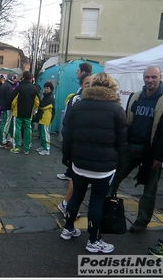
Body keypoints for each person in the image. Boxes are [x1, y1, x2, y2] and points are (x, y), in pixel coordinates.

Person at [60, 72, 127, 254]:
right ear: (111, 88)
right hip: (103, 167)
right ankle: (93, 240)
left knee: (76, 196)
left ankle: (68, 229)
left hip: (79, 163)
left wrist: (67, 157)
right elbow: (122, 141)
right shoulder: (116, 109)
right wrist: (121, 164)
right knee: (97, 201)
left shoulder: (79, 105)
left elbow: (68, 134)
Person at [110, 65, 163, 233]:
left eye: (153, 77)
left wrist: (159, 156)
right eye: (147, 77)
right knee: (114, 178)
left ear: (160, 78)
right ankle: (107, 210)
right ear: (143, 78)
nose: (150, 80)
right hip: (132, 148)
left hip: (151, 152)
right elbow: (128, 123)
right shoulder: (136, 97)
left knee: (149, 191)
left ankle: (141, 222)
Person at [57, 73, 93, 218]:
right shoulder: (76, 100)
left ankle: (70, 205)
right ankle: (66, 204)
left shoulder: (93, 100)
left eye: (92, 84)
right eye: (86, 83)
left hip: (88, 147)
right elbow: (68, 124)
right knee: (78, 178)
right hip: (77, 146)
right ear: (81, 85)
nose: (90, 86)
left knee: (80, 179)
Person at [57, 62, 92, 179]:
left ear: (83, 72)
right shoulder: (76, 96)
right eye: (86, 83)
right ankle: (70, 172)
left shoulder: (89, 99)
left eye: (78, 70)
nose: (76, 72)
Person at [8, 71, 40, 155]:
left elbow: (13, 99)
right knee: (28, 129)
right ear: (31, 79)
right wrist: (32, 109)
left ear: (23, 77)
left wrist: (13, 108)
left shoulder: (19, 87)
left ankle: (16, 147)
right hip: (29, 113)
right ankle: (26, 148)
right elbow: (37, 102)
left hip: (18, 112)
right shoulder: (34, 88)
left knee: (16, 129)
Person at [34, 81, 55, 156]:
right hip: (42, 117)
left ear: (51, 89)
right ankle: (43, 146)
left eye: (48, 88)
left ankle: (47, 149)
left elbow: (42, 105)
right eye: (45, 88)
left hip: (46, 118)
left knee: (45, 133)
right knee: (42, 133)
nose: (46, 89)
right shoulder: (46, 96)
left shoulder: (50, 98)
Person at [0, 73, 15, 149]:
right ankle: (3, 140)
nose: (15, 80)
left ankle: (1, 139)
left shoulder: (5, 85)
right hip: (8, 108)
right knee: (6, 124)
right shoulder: (8, 87)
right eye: (15, 78)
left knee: (4, 123)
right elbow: (9, 98)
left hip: (4, 107)